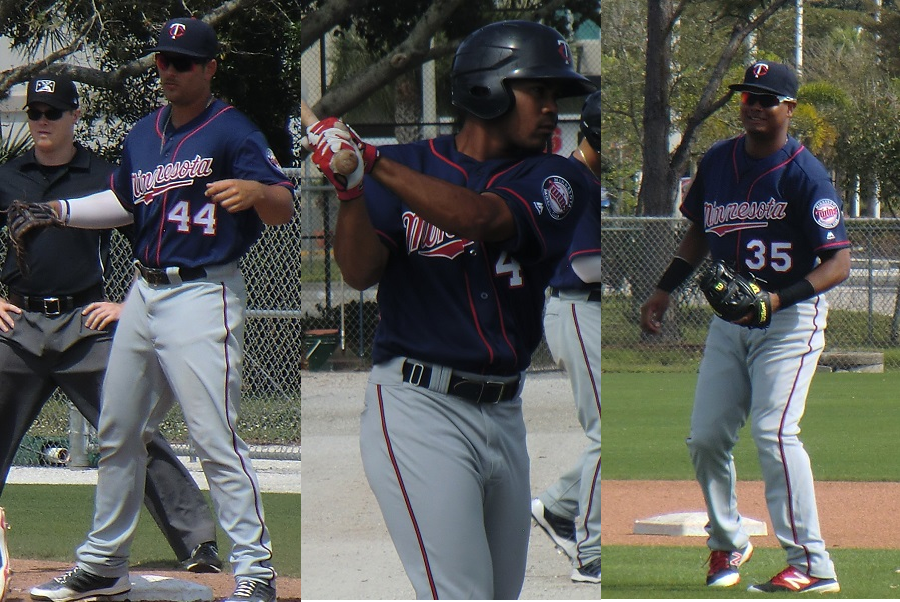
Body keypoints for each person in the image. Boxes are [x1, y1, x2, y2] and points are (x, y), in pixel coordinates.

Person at [304, 20, 596, 600]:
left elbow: (480, 217)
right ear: (487, 88)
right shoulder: (406, 165)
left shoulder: (558, 177)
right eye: (537, 90)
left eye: (554, 95)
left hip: (505, 412)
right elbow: (359, 271)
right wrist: (351, 188)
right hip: (419, 406)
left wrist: (372, 160)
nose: (551, 108)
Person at [29, 18, 294, 602]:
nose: (169, 70)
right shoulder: (143, 134)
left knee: (214, 437)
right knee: (119, 431)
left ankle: (255, 571)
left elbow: (283, 203)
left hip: (202, 292)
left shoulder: (232, 131)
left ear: (209, 68)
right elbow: (125, 202)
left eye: (182, 61)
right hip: (143, 293)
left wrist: (257, 192)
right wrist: (58, 213)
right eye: (163, 60)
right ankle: (104, 564)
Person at [639, 61, 849, 594]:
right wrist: (664, 288)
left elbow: (838, 263)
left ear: (789, 109)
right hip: (729, 323)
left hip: (790, 320)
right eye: (747, 96)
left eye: (765, 98)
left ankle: (812, 564)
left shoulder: (805, 174)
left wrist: (777, 299)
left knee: (774, 433)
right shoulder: (717, 161)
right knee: (707, 437)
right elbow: (698, 232)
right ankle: (728, 541)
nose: (753, 105)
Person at [0, 73, 221, 574]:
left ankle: (198, 543)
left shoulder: (104, 176)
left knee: (133, 428)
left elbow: (156, 239)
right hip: (18, 325)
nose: (42, 121)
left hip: (84, 324)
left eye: (53, 112)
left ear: (75, 115)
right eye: (34, 113)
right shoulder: (9, 176)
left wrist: (126, 305)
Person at [530, 89, 602, 584]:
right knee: (606, 433)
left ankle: (558, 506)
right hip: (578, 305)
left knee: (607, 433)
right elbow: (586, 264)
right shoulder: (571, 180)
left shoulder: (587, 177)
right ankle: (591, 552)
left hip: (584, 308)